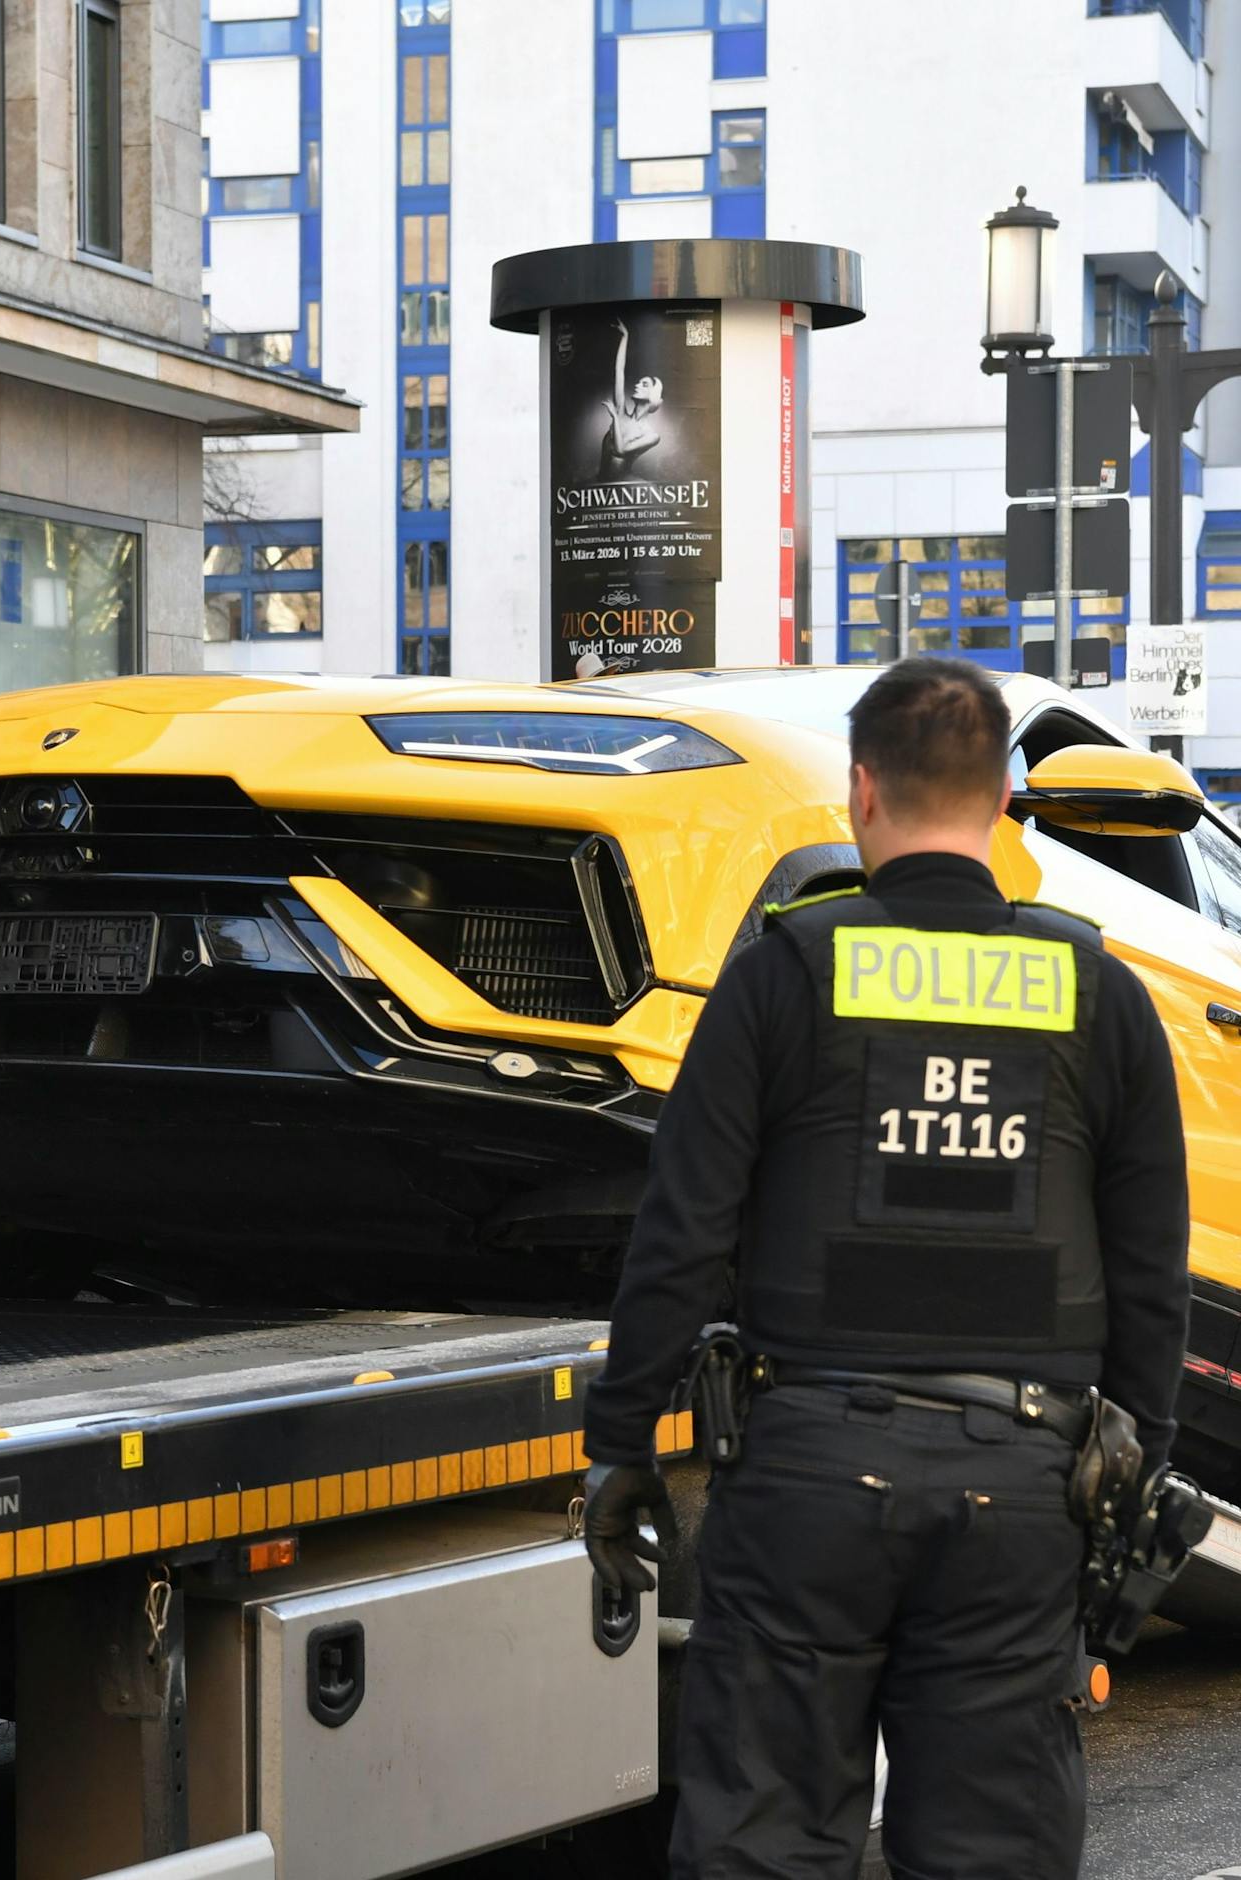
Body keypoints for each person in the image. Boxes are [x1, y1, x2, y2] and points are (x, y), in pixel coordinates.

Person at [580, 657, 1190, 1877]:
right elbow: (1148, 1269)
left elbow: (681, 1229)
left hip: (803, 1475)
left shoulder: (781, 974)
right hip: (1020, 1489)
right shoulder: (1097, 992)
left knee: (759, 1839)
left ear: (860, 791)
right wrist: (1135, 1461)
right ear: (1006, 805)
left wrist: (621, 1439)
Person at [596, 315, 664, 479]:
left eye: (644, 385)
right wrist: (625, 337)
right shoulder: (620, 411)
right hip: (600, 486)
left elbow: (621, 450)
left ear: (652, 396)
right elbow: (619, 371)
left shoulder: (652, 435)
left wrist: (614, 418)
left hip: (622, 488)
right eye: (639, 383)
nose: (637, 385)